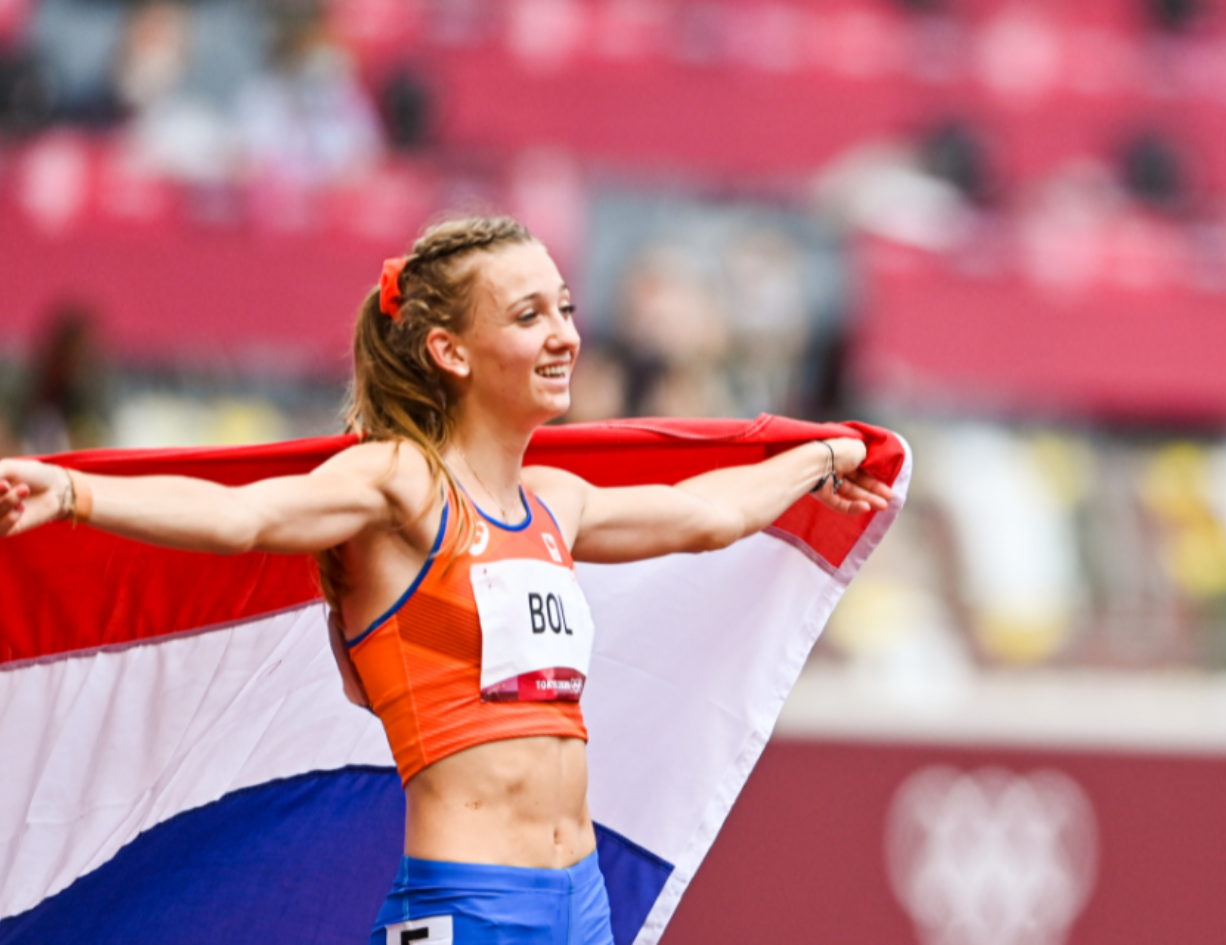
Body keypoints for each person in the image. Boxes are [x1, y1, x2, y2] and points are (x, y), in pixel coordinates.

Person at [0, 216, 893, 944]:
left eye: (566, 307)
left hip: (580, 904)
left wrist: (823, 455)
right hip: (469, 908)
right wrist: (74, 492)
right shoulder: (400, 486)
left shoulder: (555, 502)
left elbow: (707, 517)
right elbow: (248, 518)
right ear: (452, 352)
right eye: (528, 315)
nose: (565, 335)